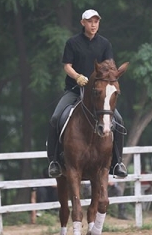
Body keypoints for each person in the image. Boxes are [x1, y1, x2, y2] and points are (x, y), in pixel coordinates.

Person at [47, 9, 128, 179]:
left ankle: (118, 162)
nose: (93, 24)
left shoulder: (105, 44)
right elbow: (67, 66)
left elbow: (110, 65)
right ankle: (54, 161)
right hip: (75, 90)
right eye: (90, 21)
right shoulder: (72, 43)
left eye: (96, 21)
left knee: (118, 121)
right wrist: (77, 77)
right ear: (82, 22)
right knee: (55, 117)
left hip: (98, 94)